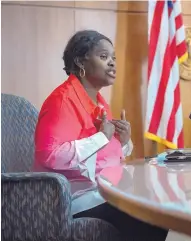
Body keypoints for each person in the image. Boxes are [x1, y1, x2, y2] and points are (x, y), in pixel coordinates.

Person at [33, 30, 168, 240]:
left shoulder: (99, 101)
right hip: (72, 199)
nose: (112, 63)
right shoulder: (62, 100)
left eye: (113, 58)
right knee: (148, 220)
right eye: (104, 57)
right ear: (80, 62)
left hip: (105, 192)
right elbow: (49, 155)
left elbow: (103, 155)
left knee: (158, 209)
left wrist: (123, 142)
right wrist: (102, 137)